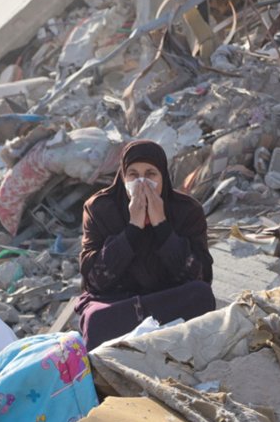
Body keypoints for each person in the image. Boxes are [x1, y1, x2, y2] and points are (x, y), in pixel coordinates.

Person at [75, 139, 215, 350]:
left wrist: (162, 225)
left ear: (163, 178)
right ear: (123, 177)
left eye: (150, 174)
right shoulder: (100, 209)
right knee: (95, 320)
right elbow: (96, 281)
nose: (142, 182)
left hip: (166, 296)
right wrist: (132, 228)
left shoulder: (187, 210)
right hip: (117, 302)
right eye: (133, 175)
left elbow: (200, 276)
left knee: (201, 295)